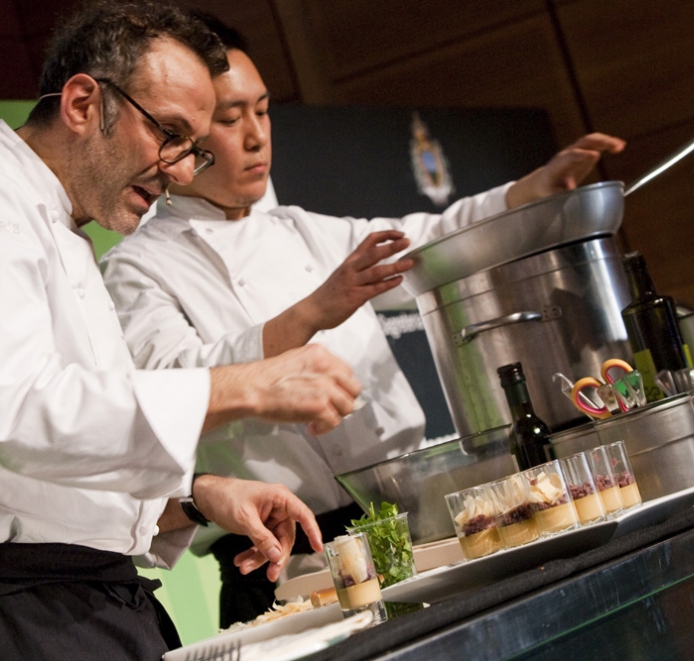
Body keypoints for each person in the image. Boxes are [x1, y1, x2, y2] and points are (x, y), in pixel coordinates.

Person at [0, 3, 363, 660]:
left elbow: (64, 457)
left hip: (74, 604)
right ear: (83, 102)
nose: (177, 171)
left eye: (191, 149)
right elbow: (24, 409)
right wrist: (242, 385)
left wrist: (197, 497)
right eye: (168, 133)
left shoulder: (64, 232)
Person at [98, 13, 627, 628]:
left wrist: (529, 193)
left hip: (413, 522)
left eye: (263, 112)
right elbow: (177, 384)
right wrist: (313, 311)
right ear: (184, 131)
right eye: (229, 117)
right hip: (284, 561)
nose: (255, 136)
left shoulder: (300, 229)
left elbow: (432, 240)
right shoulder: (138, 266)